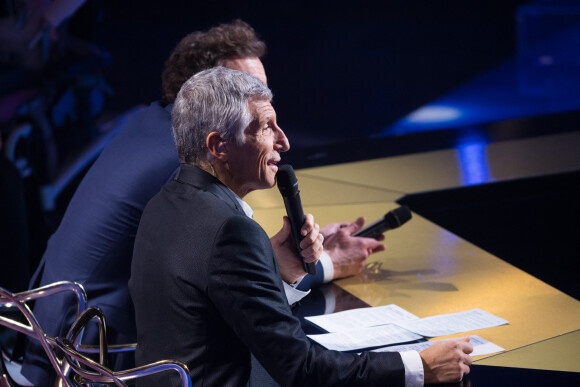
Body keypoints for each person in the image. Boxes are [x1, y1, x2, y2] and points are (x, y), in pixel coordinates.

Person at [21, 20, 384, 385]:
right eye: (242, 88)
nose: (257, 99)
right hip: (99, 348)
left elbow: (201, 264)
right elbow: (214, 286)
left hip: (51, 322)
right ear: (203, 95)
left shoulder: (147, 122)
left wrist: (272, 258)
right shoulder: (182, 165)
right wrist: (323, 264)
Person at [129, 66, 473, 386]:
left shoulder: (164, 202)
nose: (284, 141)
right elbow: (300, 369)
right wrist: (419, 367)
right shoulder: (230, 230)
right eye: (265, 127)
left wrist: (281, 271)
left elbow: (210, 317)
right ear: (219, 146)